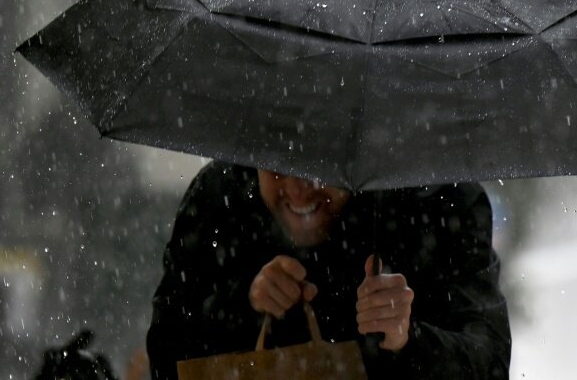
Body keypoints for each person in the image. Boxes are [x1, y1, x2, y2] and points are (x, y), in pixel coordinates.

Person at [146, 161, 511, 379]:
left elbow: (488, 360)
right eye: (276, 166)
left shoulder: (435, 201)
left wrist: (407, 339)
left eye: (319, 170)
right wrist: (242, 305)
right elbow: (167, 354)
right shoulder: (220, 201)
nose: (299, 190)